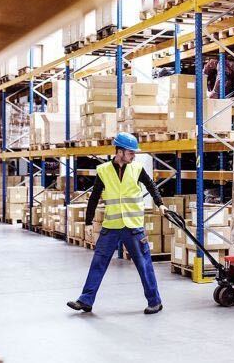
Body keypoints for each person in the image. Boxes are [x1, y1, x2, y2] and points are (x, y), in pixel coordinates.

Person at [67, 132, 168, 314]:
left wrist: (160, 204)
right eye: (130, 152)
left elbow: (151, 186)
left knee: (144, 264)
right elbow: (95, 197)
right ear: (120, 151)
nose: (133, 156)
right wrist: (89, 222)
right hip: (111, 226)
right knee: (98, 262)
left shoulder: (137, 168)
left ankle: (155, 301)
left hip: (133, 226)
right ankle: (85, 300)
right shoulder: (103, 170)